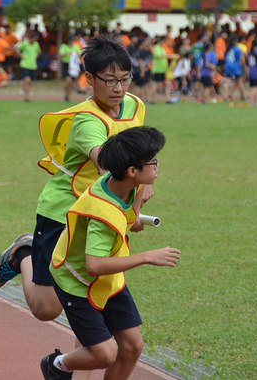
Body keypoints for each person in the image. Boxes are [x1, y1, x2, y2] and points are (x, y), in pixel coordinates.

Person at [0, 34, 150, 326]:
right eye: (110, 80)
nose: (119, 88)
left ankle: (75, 366)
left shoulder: (135, 106)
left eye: (125, 79)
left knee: (93, 290)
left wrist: (141, 191)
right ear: (89, 78)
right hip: (63, 211)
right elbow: (108, 168)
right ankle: (23, 252)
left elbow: (138, 157)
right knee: (46, 310)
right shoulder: (88, 121)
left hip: (98, 212)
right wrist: (131, 210)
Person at [40, 126, 181, 380]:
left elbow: (132, 220)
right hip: (78, 282)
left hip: (107, 279)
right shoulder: (101, 214)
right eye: (153, 161)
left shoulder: (129, 183)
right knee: (105, 354)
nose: (157, 166)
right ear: (132, 171)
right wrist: (148, 256)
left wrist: (136, 215)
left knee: (132, 347)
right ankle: (56, 364)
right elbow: (93, 265)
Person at [17, 32, 41, 102]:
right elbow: (17, 49)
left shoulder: (36, 45)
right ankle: (27, 96)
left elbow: (38, 52)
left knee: (29, 81)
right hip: (25, 64)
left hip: (32, 65)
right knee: (27, 79)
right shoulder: (25, 44)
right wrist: (22, 56)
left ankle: (25, 91)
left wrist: (35, 57)